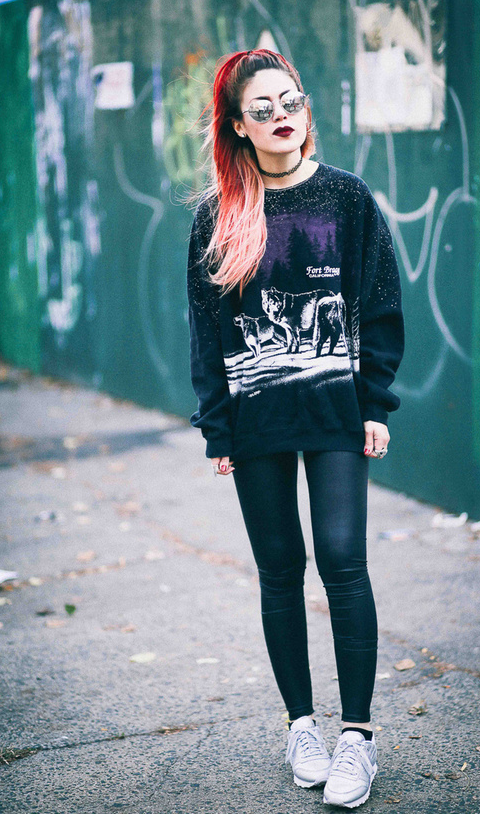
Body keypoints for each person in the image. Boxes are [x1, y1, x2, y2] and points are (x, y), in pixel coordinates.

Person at [186, 49, 404, 809]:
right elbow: (207, 329)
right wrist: (217, 427)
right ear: (238, 128)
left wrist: (375, 403)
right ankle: (301, 726)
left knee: (343, 559)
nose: (282, 116)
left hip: (336, 410)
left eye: (291, 101)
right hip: (258, 417)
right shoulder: (218, 215)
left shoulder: (347, 197)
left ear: (305, 108)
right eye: (263, 109)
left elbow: (380, 303)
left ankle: (359, 737)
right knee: (280, 569)